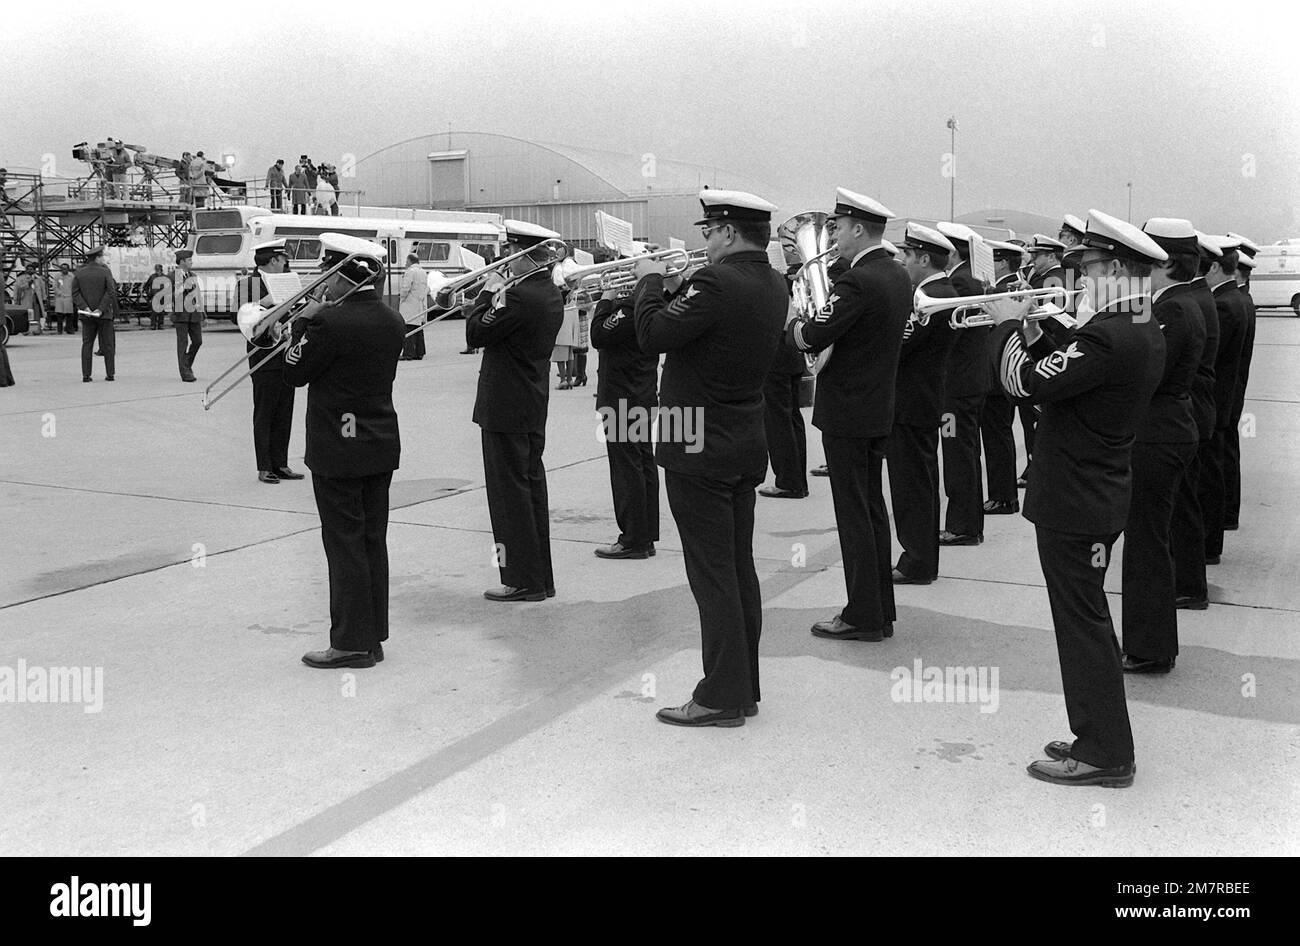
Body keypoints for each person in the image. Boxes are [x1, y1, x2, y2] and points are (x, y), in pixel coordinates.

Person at [986, 208, 1166, 787]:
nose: (1079, 274)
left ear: (1115, 266)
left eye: (1087, 264)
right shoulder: (1138, 322)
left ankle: (1105, 751)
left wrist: (1009, 327)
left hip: (1075, 499)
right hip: (1096, 491)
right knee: (1086, 619)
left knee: (1082, 624)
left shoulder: (1112, 335)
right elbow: (1080, 368)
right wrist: (1043, 331)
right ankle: (1097, 735)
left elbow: (1025, 384)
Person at [635, 189, 786, 727]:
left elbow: (652, 334)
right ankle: (741, 687)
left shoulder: (716, 282)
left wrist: (651, 281)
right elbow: (706, 332)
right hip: (741, 440)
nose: (705, 241)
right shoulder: (773, 281)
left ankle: (720, 695)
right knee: (738, 569)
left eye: (708, 232)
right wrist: (679, 292)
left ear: (725, 232)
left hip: (698, 445)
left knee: (712, 576)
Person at [790, 188, 911, 642]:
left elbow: (812, 335)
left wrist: (793, 324)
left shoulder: (859, 281)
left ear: (859, 229)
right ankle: (878, 610)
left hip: (848, 413)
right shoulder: (896, 274)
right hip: (876, 407)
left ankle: (862, 614)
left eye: (837, 228)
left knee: (855, 514)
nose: (833, 237)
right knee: (872, 510)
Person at [284, 233, 406, 669]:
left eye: (327, 273)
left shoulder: (327, 323)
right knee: (373, 538)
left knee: (344, 543)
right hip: (377, 442)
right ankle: (372, 636)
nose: (323, 282)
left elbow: (294, 372)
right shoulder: (393, 320)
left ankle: (351, 642)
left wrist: (304, 321)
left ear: (342, 275)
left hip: (338, 446)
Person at [1119, 218, 1205, 675]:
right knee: (1151, 539)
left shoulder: (1171, 309)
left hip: (1158, 433)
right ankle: (1150, 642)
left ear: (1166, 263)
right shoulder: (1177, 302)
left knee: (1147, 543)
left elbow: (1149, 371)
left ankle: (1149, 647)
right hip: (1167, 429)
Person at [468, 220, 565, 602]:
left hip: (506, 406)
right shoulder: (548, 292)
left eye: (512, 252)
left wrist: (485, 296)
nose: (506, 259)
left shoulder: (521, 296)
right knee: (529, 489)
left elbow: (476, 333)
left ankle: (523, 580)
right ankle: (540, 578)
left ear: (526, 257)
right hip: (528, 403)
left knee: (509, 497)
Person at [889, 223, 959, 584]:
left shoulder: (932, 298)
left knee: (911, 487)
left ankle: (916, 561)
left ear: (925, 259)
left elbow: (900, 346)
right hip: (921, 401)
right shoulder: (938, 292)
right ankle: (922, 557)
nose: (903, 261)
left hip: (911, 404)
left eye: (908, 256)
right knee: (920, 484)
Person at [590, 272, 671, 560]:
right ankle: (646, 536)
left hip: (622, 399)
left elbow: (598, 335)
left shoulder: (629, 309)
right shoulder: (652, 305)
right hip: (642, 395)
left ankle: (633, 539)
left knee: (627, 470)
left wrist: (604, 302)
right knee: (642, 464)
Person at [1169, 232, 1222, 610]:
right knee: (1184, 502)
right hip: (1196, 411)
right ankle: (1188, 580)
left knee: (1183, 505)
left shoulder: (1183, 303)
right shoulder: (1198, 296)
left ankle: (1188, 585)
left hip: (1188, 413)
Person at [935, 221, 989, 547]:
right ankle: (969, 523)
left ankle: (962, 526)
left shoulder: (960, 280)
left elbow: (949, 330)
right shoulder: (975, 277)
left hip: (958, 384)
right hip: (970, 379)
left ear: (953, 250)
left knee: (958, 456)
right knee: (966, 452)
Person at [1198, 235, 1247, 567]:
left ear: (1215, 267)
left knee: (1210, 479)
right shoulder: (1239, 299)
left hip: (1216, 403)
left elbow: (1209, 359)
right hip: (1226, 400)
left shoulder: (1224, 305)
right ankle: (1221, 524)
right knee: (1219, 470)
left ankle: (1210, 542)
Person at [243, 239, 302, 484]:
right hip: (263, 354)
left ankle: (281, 463)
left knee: (284, 411)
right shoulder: (249, 283)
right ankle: (264, 466)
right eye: (283, 259)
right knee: (265, 411)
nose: (286, 263)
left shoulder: (285, 281)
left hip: (285, 351)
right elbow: (243, 318)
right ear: (273, 260)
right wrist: (264, 304)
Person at [979, 240, 1031, 516]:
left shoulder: (1004, 290)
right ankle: (1004, 494)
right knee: (1000, 436)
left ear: (1000, 263)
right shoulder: (1013, 286)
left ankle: (1003, 496)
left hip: (996, 375)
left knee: (996, 438)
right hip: (1001, 374)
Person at [1019, 234, 1070, 486]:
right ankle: (1033, 464)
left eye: (1037, 255)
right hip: (1042, 347)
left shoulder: (1056, 279)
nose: (1032, 259)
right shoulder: (1043, 278)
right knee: (1031, 421)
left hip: (1047, 349)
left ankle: (1036, 466)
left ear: (1051, 256)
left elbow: (1057, 320)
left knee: (1037, 419)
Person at [760, 258, 810, 500]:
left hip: (778, 350)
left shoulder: (780, 280)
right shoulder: (794, 279)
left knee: (778, 420)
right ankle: (797, 479)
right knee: (791, 417)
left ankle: (789, 482)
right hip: (791, 351)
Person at [1223, 233, 1259, 531]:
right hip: (1232, 392)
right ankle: (1227, 514)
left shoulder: (1229, 303)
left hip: (1224, 394)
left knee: (1219, 459)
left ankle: (1224, 515)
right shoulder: (1243, 299)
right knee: (1226, 454)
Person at [72, 246, 117, 382]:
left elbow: (75, 293)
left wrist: (85, 307)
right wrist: (101, 308)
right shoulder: (105, 272)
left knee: (87, 344)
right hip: (104, 315)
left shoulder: (79, 273)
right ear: (97, 257)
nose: (103, 259)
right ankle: (110, 374)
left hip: (86, 315)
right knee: (108, 345)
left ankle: (86, 375)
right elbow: (110, 292)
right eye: (102, 256)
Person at [169, 250, 203, 382]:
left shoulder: (192, 275)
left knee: (198, 341)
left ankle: (187, 364)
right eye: (189, 260)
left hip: (194, 314)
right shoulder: (172, 276)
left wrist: (202, 313)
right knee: (182, 344)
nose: (191, 262)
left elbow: (197, 295)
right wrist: (182, 288)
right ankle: (185, 372)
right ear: (182, 261)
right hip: (180, 315)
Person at [398, 253, 428, 361]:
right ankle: (419, 352)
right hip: (419, 303)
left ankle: (408, 353)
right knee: (418, 328)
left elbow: (406, 287)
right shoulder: (423, 272)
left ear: (410, 261)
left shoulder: (410, 271)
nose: (406, 263)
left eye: (406, 261)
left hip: (410, 303)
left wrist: (401, 297)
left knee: (409, 328)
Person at [141, 264, 168, 330]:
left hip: (162, 296)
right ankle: (153, 325)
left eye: (158, 269)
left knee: (161, 311)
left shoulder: (165, 277)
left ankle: (160, 324)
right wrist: (148, 294)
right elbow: (146, 286)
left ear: (161, 269)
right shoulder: (152, 277)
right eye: (156, 269)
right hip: (154, 296)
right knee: (154, 312)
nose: (157, 271)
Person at [54, 263, 76, 334]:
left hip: (69, 297)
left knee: (69, 315)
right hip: (60, 297)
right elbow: (54, 286)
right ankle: (59, 330)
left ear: (68, 269)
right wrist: (59, 293)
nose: (64, 270)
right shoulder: (57, 276)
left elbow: (74, 286)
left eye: (65, 268)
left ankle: (69, 329)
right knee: (59, 315)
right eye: (62, 268)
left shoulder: (71, 276)